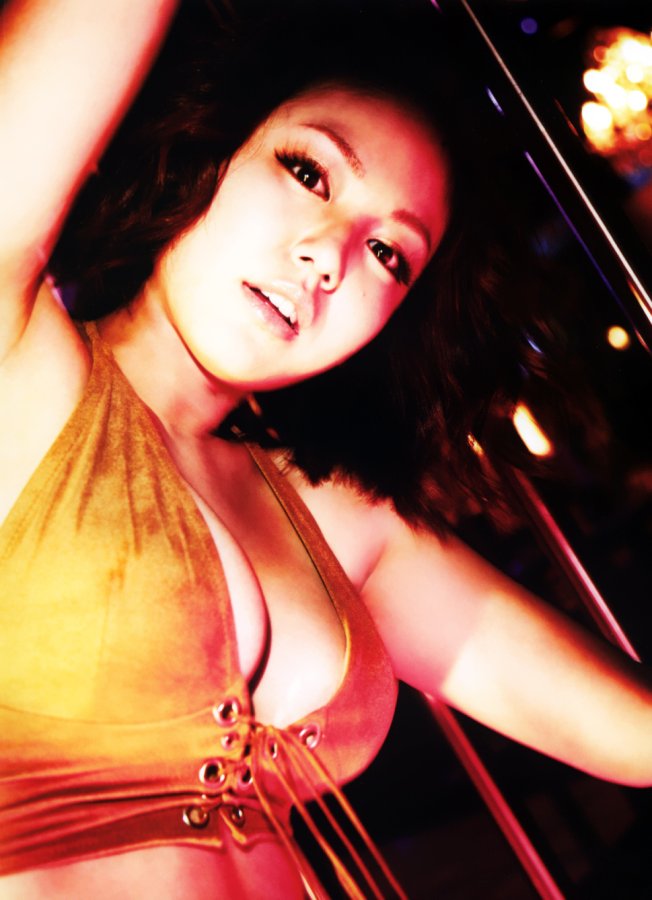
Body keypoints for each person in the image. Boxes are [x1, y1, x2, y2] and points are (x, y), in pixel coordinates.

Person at [0, 0, 650, 897]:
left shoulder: (338, 515)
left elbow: (636, 736)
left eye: (389, 253)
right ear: (207, 148)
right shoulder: (18, 360)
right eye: (308, 172)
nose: (330, 257)